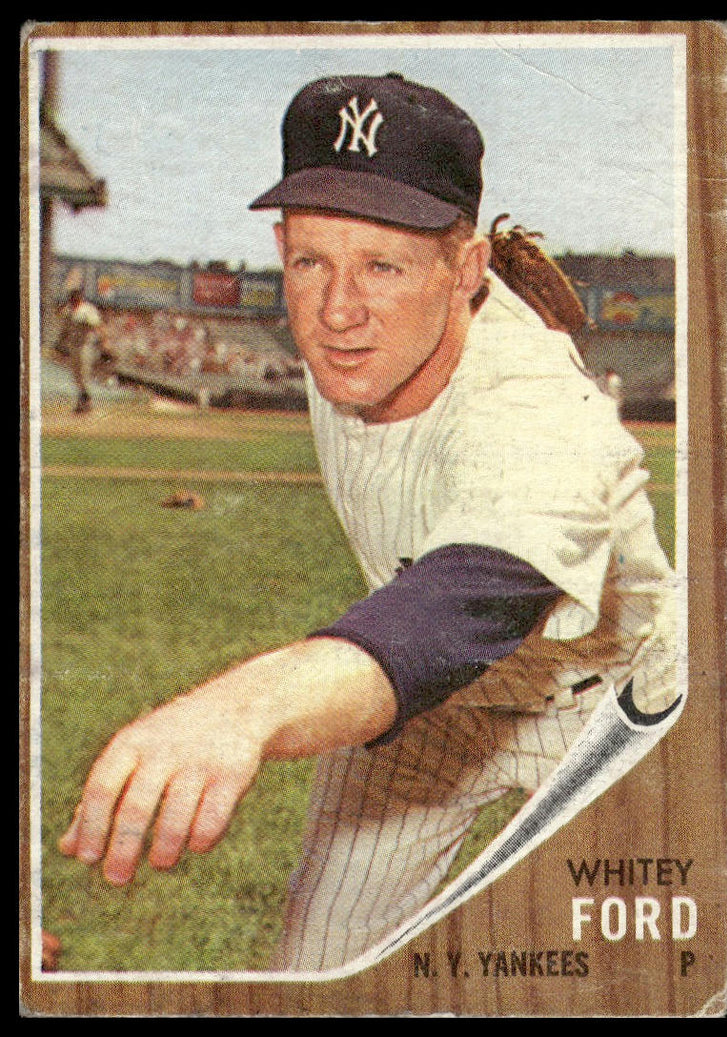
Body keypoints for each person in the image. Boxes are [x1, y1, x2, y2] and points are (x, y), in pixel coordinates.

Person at [59, 73, 680, 972]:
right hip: (422, 711)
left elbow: (466, 600)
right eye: (311, 261)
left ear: (464, 270)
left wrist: (248, 702)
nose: (337, 309)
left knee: (637, 977)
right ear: (281, 249)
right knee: (314, 973)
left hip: (605, 708)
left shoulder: (538, 404)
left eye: (384, 265)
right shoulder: (357, 335)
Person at [54, 288, 103, 414]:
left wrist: (88, 324)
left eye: (76, 298)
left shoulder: (88, 309)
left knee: (83, 373)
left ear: (80, 298)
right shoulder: (68, 310)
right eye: (72, 298)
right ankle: (83, 402)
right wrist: (59, 344)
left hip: (85, 345)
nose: (74, 300)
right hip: (73, 346)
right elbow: (64, 329)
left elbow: (96, 325)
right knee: (76, 376)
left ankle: (86, 403)